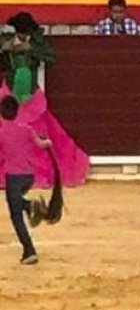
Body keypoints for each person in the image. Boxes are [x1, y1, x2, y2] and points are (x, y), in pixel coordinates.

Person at [0, 12, 89, 188]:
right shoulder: (5, 39)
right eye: (21, 32)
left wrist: (31, 48)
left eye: (27, 32)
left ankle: (37, 173)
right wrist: (4, 48)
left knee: (35, 132)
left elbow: (51, 57)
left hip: (30, 95)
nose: (24, 35)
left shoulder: (36, 42)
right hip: (9, 92)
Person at [0, 96, 53, 265]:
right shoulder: (27, 129)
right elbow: (41, 144)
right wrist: (48, 142)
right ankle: (30, 206)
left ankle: (29, 251)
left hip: (13, 178)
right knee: (16, 203)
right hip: (28, 177)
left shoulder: (1, 133)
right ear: (17, 111)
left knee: (16, 216)